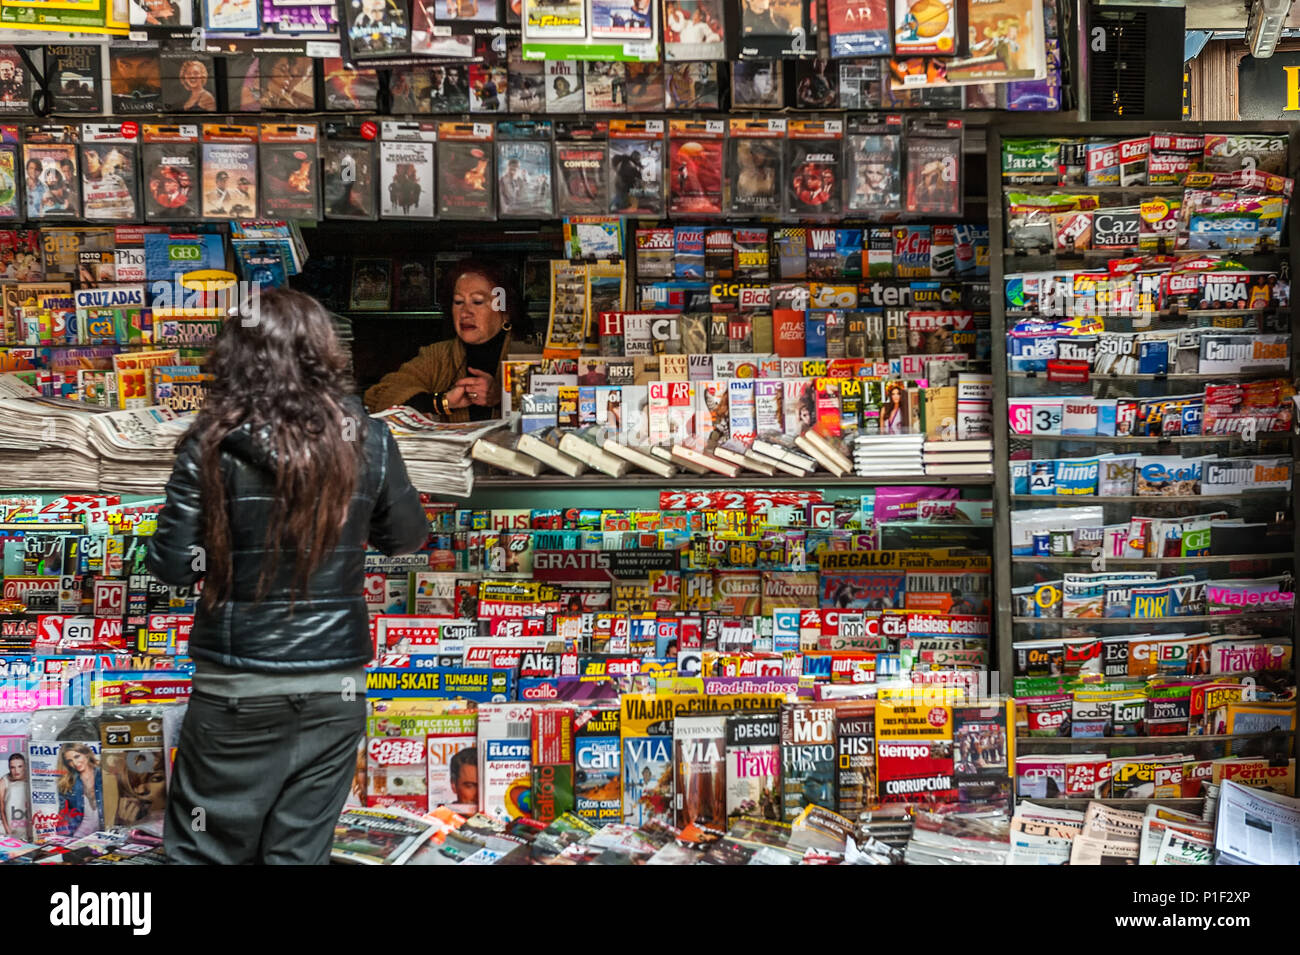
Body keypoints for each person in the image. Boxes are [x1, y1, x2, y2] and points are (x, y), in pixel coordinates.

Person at [145, 288, 427, 865]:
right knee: (299, 853)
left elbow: (172, 566)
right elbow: (408, 538)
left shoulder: (208, 443)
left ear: (233, 356)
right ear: (322, 351)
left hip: (236, 691)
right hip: (334, 689)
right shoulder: (367, 437)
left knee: (204, 848)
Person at [364, 259, 516, 420]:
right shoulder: (437, 355)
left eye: (477, 301)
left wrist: (502, 396)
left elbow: (542, 405)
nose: (465, 312)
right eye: (458, 302)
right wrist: (443, 401)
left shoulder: (530, 353)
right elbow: (378, 397)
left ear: (505, 311)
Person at [56, 743, 101, 838]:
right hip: (79, 834)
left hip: (105, 833)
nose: (75, 763)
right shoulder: (68, 782)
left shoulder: (104, 776)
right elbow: (63, 814)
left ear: (87, 754)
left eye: (77, 756)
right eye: (70, 761)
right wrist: (63, 838)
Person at [0, 752, 28, 840]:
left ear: (25, 766)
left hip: (28, 825)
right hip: (10, 825)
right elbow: (2, 809)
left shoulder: (31, 779)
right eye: (13, 767)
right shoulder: (4, 781)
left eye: (20, 766)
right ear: (9, 768)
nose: (16, 771)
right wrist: (8, 831)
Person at [447, 747, 478, 813]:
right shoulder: (439, 821)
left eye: (484, 787)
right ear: (454, 785)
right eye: (470, 786)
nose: (478, 795)